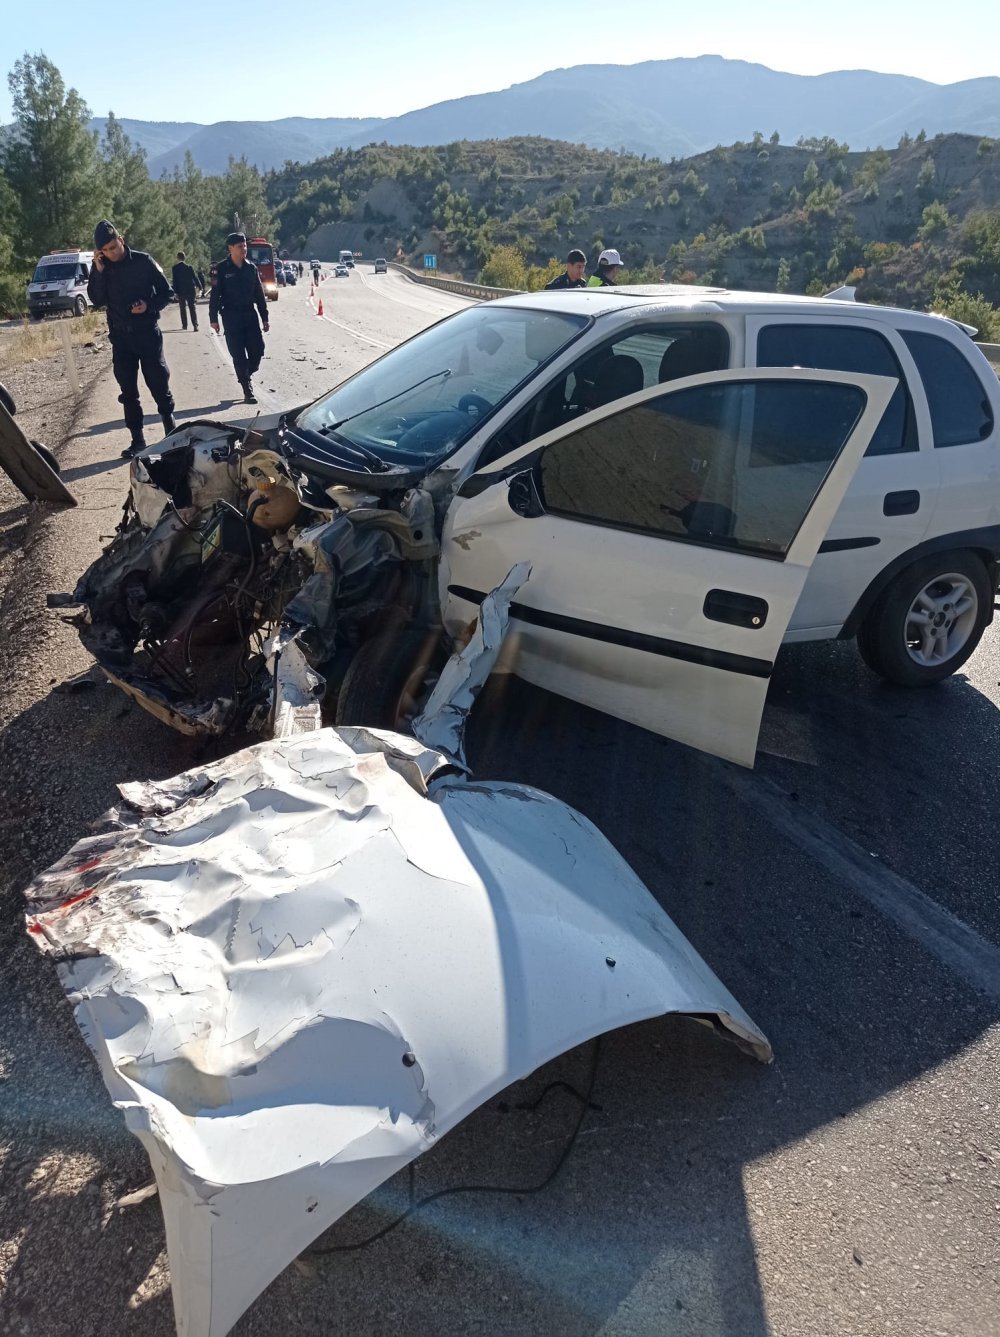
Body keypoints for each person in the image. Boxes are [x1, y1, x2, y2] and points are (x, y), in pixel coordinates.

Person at [88, 219, 176, 458]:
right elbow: (96, 300)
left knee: (158, 382)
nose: (111, 253)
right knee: (128, 391)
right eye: (105, 250)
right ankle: (137, 440)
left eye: (113, 247)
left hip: (147, 333)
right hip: (121, 339)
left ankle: (171, 433)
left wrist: (148, 305)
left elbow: (167, 293)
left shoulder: (143, 261)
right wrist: (99, 272)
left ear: (121, 240)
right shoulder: (101, 268)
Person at [209, 232, 270, 404]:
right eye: (239, 246)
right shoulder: (220, 269)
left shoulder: (251, 268)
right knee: (238, 355)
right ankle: (247, 389)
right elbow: (215, 295)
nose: (244, 249)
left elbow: (259, 294)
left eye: (244, 245)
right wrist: (213, 318)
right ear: (230, 248)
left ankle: (246, 373)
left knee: (258, 350)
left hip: (250, 315)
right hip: (231, 316)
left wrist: (264, 317)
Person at [171, 251, 200, 331]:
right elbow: (195, 277)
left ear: (177, 258)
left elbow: (175, 281)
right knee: (192, 308)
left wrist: (175, 292)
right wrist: (200, 287)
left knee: (182, 308)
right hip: (190, 290)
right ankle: (195, 325)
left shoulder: (175, 268)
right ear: (184, 258)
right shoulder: (189, 267)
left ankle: (184, 325)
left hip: (180, 291)